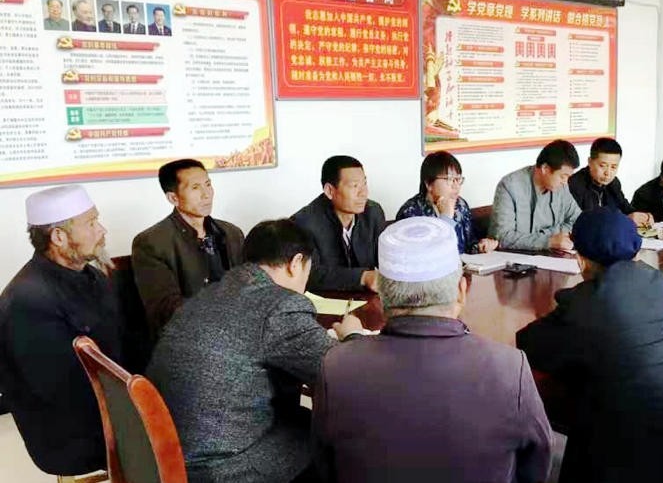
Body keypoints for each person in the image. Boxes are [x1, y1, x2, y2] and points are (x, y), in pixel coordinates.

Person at [313, 217, 552, 483]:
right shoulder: (509, 368)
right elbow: (535, 467)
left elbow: (326, 467)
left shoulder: (335, 368)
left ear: (381, 296)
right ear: (462, 290)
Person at [517, 208, 663, 483]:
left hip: (661, 459)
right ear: (636, 254)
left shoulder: (588, 302)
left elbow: (529, 344)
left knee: (588, 410)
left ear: (581, 261)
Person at [148, 219, 363, 483]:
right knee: (337, 434)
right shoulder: (280, 305)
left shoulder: (210, 293)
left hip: (164, 455)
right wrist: (352, 336)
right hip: (223, 467)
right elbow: (344, 376)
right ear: (296, 263)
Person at [0, 185, 120, 476]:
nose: (102, 230)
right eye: (91, 223)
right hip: (73, 437)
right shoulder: (27, 300)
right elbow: (61, 392)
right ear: (58, 237)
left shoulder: (92, 276)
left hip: (112, 409)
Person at [132, 159, 244, 339]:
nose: (206, 194)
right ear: (173, 198)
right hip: (187, 340)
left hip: (237, 333)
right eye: (195, 188)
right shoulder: (151, 243)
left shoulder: (231, 233)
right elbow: (165, 309)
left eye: (208, 185)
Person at [292, 155, 385, 292]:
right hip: (324, 300)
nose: (364, 193)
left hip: (366, 297)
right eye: (354, 186)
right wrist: (362, 277)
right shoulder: (303, 223)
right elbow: (310, 274)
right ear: (330, 191)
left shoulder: (373, 213)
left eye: (364, 184)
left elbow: (385, 259)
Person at [395, 151, 498, 254]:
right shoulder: (410, 213)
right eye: (449, 179)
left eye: (458, 179)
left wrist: (482, 246)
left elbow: (469, 244)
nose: (456, 186)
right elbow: (424, 256)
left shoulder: (460, 205)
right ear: (428, 184)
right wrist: (446, 218)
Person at [489, 139, 582, 251]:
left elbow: (579, 221)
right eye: (563, 176)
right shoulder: (510, 186)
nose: (565, 182)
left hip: (551, 255)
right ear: (545, 169)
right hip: (514, 256)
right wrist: (548, 241)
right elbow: (502, 237)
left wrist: (546, 236)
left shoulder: (562, 187)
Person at [568, 137, 653, 226]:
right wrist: (625, 219)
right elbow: (581, 221)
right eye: (602, 166)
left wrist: (643, 217)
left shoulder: (614, 183)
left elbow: (626, 209)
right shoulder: (574, 185)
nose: (608, 173)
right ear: (590, 162)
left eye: (613, 167)